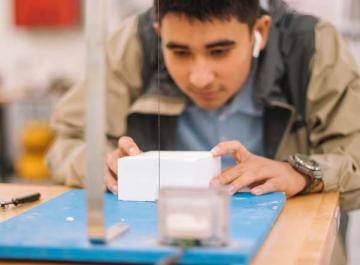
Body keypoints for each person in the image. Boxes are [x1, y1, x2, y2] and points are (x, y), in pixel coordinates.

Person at [46, 1, 360, 263]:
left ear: (259, 32)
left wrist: (300, 172)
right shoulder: (134, 42)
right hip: (156, 248)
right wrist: (99, 163)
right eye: (180, 52)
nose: (200, 78)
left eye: (219, 51)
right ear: (159, 34)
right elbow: (69, 140)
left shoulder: (312, 46)